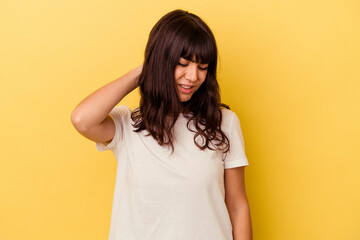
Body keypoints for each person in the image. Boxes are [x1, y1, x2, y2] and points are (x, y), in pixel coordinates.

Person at [71, 9, 252, 240]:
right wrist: (146, 71)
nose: (193, 76)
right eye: (182, 63)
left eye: (203, 67)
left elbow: (237, 206)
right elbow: (82, 119)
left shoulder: (224, 123)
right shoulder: (129, 125)